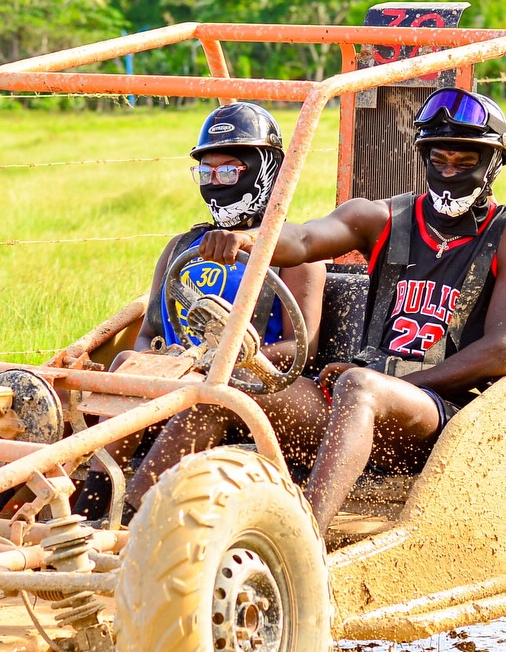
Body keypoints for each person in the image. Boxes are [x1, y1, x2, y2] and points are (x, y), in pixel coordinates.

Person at [125, 87, 506, 532]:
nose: (449, 173)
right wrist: (253, 240)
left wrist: (389, 381)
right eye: (438, 160)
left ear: (494, 164)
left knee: (360, 386)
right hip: (353, 401)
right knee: (221, 390)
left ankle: (303, 534)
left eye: (465, 164)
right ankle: (125, 523)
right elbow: (305, 240)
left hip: (437, 412)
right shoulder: (386, 217)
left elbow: (502, 351)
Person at [74, 102, 325, 518]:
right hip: (180, 382)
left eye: (229, 172)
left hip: (260, 386)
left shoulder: (293, 254)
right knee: (126, 364)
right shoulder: (181, 248)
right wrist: (162, 363)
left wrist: (216, 364)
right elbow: (148, 333)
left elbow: (301, 350)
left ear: (265, 173)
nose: (215, 183)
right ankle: (87, 510)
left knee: (211, 394)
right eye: (206, 173)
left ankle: (132, 520)